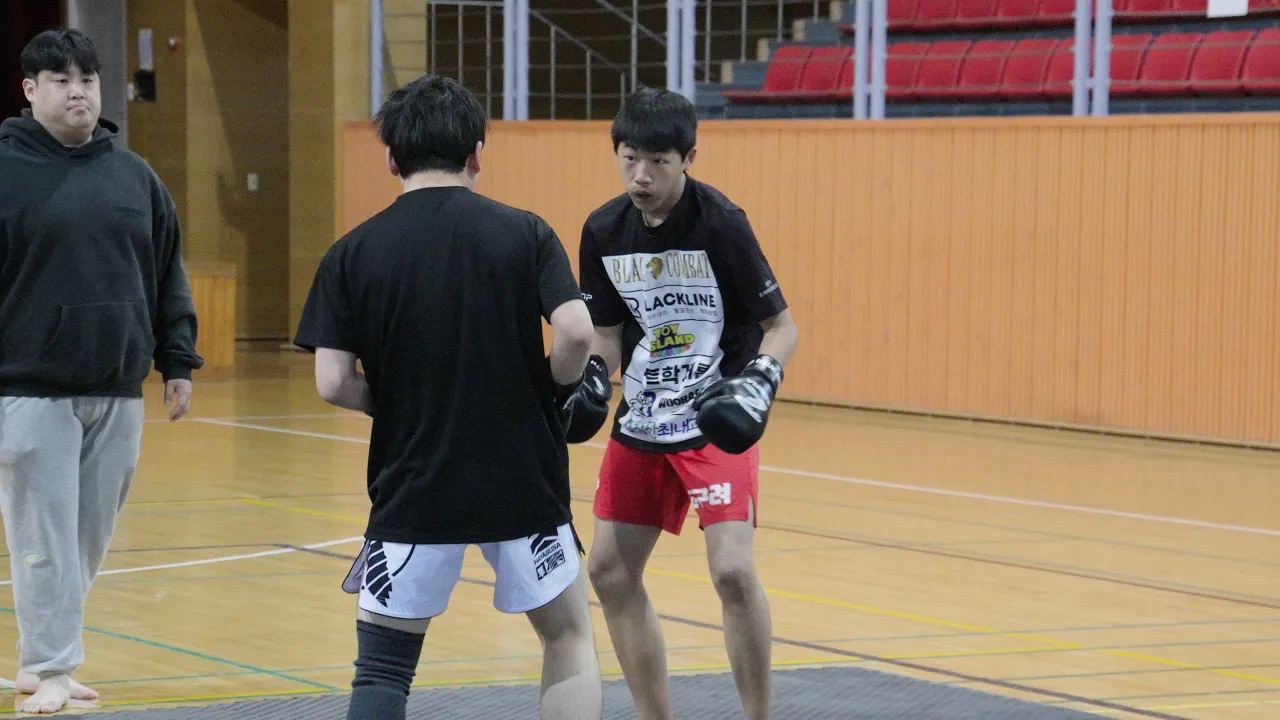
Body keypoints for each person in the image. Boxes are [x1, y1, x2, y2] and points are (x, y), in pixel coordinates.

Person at [293, 74, 604, 720]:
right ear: (477, 153)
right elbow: (577, 331)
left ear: (391, 158)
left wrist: (391, 400)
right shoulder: (525, 233)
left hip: (414, 483)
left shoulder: (351, 253)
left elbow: (331, 381)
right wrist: (553, 387)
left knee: (383, 669)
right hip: (522, 480)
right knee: (568, 638)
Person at [564, 87, 799, 720]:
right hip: (643, 416)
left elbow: (782, 327)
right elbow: (608, 334)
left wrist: (760, 381)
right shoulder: (603, 230)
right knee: (609, 573)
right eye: (629, 158)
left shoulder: (721, 222)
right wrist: (593, 377)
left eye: (658, 162)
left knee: (732, 572)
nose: (641, 176)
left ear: (689, 158)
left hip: (715, 418)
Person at [0, 28, 203, 715]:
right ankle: (51, 667)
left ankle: (43, 658)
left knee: (87, 538)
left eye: (87, 79)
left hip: (117, 387)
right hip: (27, 388)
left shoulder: (135, 177)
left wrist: (178, 360)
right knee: (44, 540)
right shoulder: (5, 172)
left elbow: (167, 271)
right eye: (60, 80)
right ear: (30, 90)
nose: (78, 92)